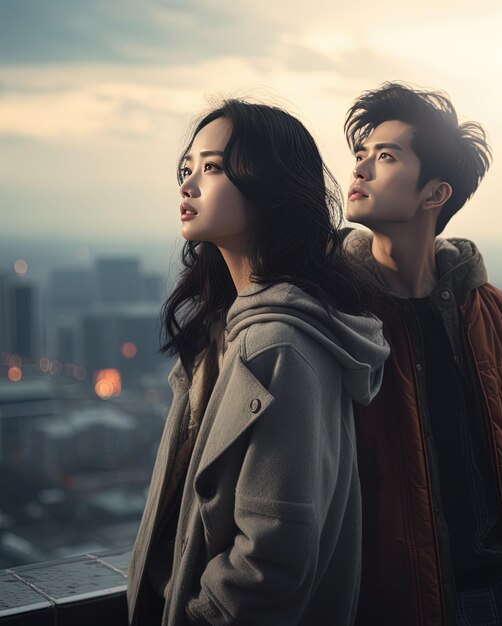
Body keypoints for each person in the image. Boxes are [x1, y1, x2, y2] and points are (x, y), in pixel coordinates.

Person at [126, 99, 389, 626]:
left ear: (268, 186)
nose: (188, 185)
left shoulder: (279, 343)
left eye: (213, 167)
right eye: (187, 168)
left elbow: (272, 558)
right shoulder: (227, 328)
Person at [341, 83, 502, 626]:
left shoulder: (491, 313)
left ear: (434, 194)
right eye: (361, 154)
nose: (360, 169)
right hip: (392, 610)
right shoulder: (336, 314)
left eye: (386, 156)